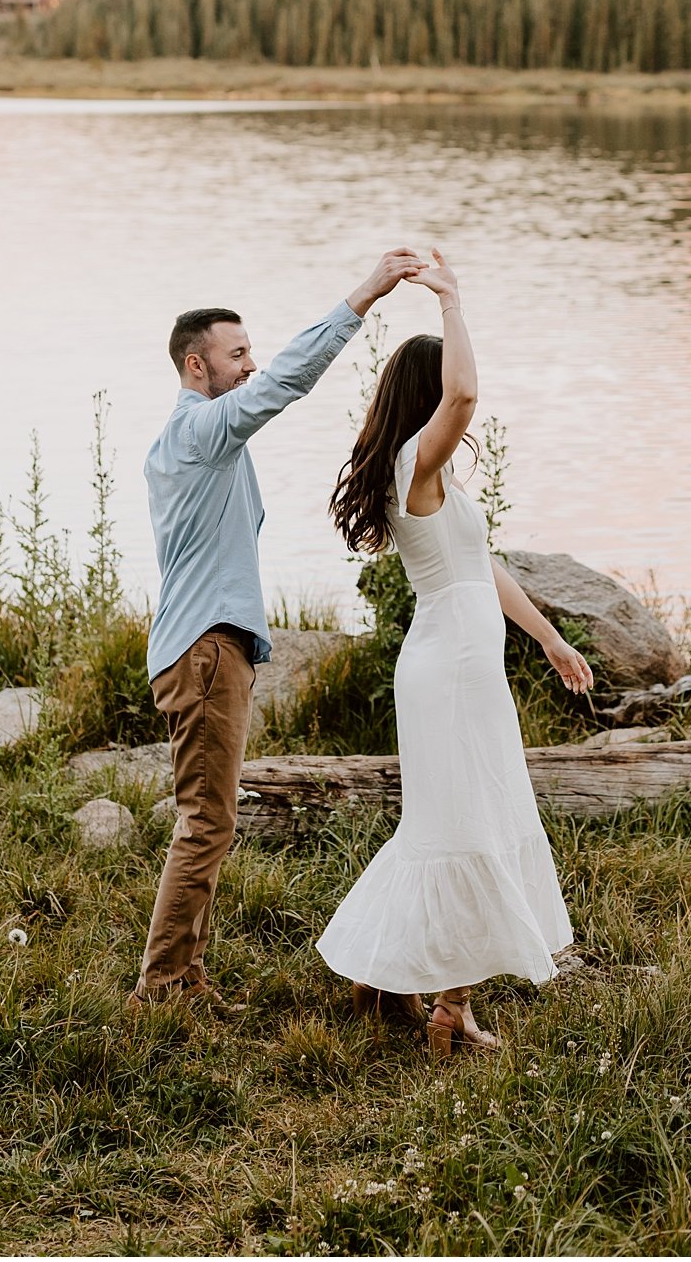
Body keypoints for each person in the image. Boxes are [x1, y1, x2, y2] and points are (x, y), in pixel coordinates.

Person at [128, 250, 426, 1014]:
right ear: (198, 366)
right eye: (238, 355)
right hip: (204, 649)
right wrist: (361, 298)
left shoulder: (202, 443)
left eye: (250, 352)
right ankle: (161, 987)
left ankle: (186, 975)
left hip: (207, 647)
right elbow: (291, 379)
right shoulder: (199, 431)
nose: (252, 366)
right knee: (205, 822)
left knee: (213, 820)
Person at [314, 249, 594, 1055]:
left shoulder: (430, 479)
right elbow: (468, 393)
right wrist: (453, 301)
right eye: (441, 394)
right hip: (453, 670)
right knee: (472, 826)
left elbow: (483, 566)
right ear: (427, 399)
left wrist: (548, 637)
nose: (455, 403)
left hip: (462, 664)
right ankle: (449, 1009)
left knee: (453, 823)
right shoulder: (416, 463)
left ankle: (383, 977)